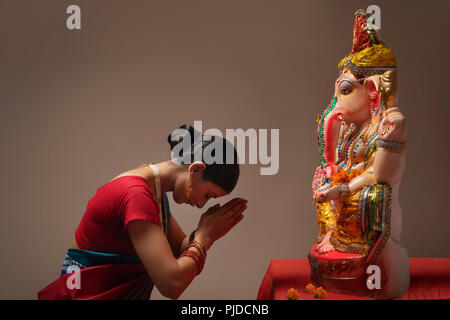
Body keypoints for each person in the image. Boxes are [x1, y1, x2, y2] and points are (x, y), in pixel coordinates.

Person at [38, 124, 247, 300]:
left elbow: (180, 249)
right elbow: (171, 282)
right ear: (196, 169)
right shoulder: (136, 195)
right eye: (208, 195)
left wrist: (209, 228)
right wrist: (205, 237)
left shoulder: (153, 194)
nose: (202, 205)